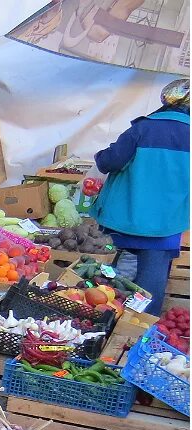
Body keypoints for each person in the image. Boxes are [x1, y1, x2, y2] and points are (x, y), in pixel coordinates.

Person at [90, 78, 189, 303]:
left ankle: (106, 323)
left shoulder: (142, 129)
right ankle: (140, 331)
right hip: (167, 225)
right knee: (149, 291)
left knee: (108, 286)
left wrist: (100, 156)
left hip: (124, 221)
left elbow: (109, 162)